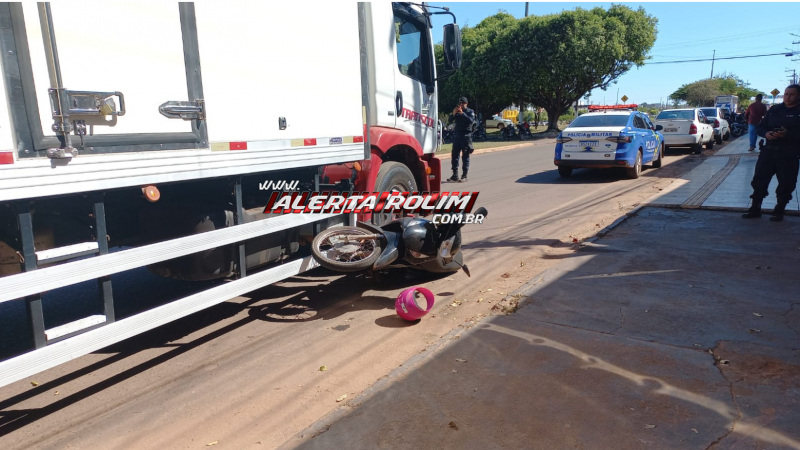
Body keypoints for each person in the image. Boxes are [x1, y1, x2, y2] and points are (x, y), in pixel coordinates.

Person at [742, 85, 800, 222]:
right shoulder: (774, 109)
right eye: (786, 94)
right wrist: (766, 134)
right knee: (759, 181)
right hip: (768, 151)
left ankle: (779, 211)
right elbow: (760, 127)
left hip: (789, 154)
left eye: (791, 94)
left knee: (786, 184)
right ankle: (755, 208)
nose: (787, 97)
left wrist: (788, 134)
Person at [447, 96, 475, 182]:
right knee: (455, 156)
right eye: (460, 103)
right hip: (457, 136)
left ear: (466, 103)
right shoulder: (457, 111)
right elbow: (450, 120)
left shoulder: (470, 111)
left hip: (466, 137)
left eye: (462, 103)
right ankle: (455, 175)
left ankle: (464, 175)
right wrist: (453, 114)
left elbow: (470, 120)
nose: (461, 105)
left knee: (465, 156)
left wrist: (463, 113)